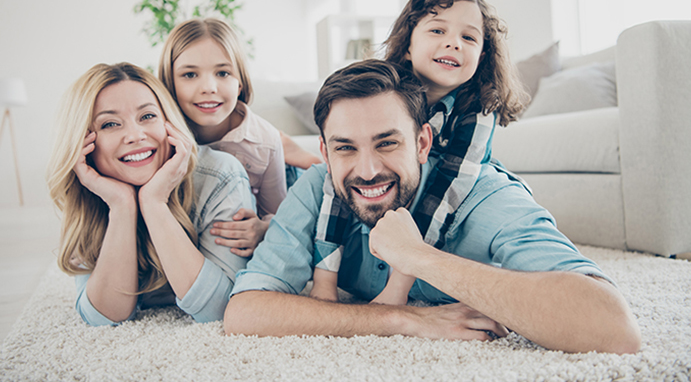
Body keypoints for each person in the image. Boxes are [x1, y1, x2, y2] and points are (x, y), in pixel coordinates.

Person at [224, 59, 640, 354]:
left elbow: (613, 328)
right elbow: (244, 313)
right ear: (325, 152)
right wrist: (402, 320)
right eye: (345, 148)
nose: (367, 171)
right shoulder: (318, 186)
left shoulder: (486, 196)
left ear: (422, 142)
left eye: (387, 143)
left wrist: (419, 257)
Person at [309, 0, 528, 304]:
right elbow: (339, 183)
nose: (453, 43)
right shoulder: (383, 95)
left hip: (446, 189)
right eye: (437, 31)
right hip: (394, 182)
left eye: (468, 37)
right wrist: (325, 281)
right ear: (408, 45)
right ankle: (323, 276)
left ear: (482, 56)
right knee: (337, 175)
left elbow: (444, 193)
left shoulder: (478, 111)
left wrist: (399, 284)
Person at [47, 63, 255, 326]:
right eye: (110, 124)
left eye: (147, 116)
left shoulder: (219, 174)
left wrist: (154, 203)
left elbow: (222, 309)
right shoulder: (89, 185)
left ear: (169, 122)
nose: (135, 135)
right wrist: (121, 206)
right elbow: (101, 317)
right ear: (83, 143)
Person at [159, 18, 286, 257]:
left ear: (239, 83)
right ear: (169, 84)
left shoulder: (265, 141)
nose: (208, 87)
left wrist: (262, 229)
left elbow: (279, 215)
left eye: (223, 73)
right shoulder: (158, 135)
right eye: (189, 75)